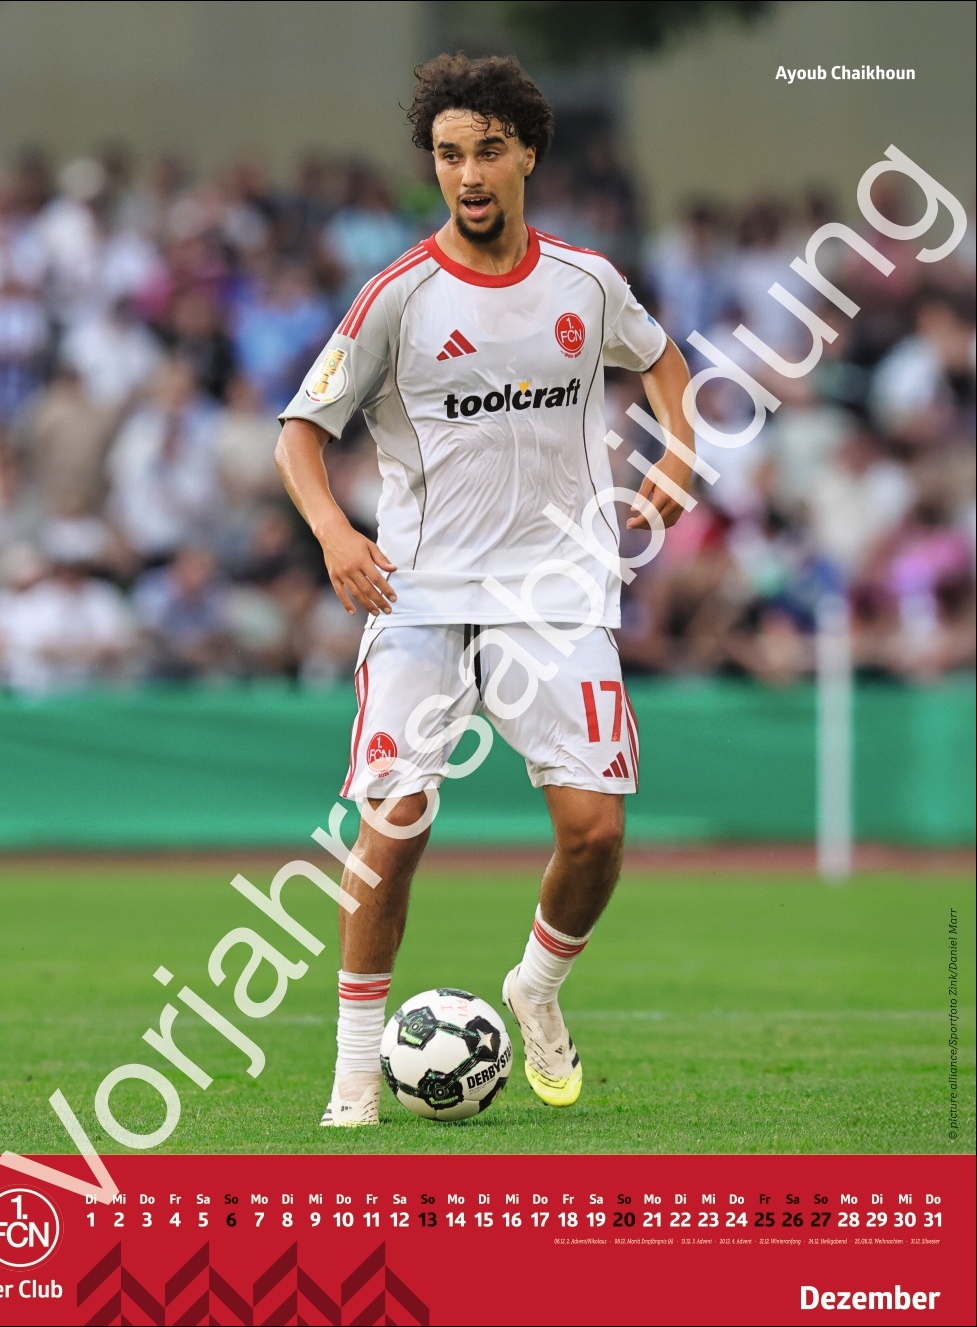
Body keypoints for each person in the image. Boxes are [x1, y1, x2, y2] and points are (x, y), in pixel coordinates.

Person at [274, 54, 695, 1125]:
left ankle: (536, 987)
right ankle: (355, 1075)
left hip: (556, 591)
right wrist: (334, 532)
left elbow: (661, 360)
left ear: (528, 156)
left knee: (595, 832)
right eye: (449, 153)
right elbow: (299, 434)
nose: (468, 172)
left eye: (488, 151)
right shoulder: (397, 297)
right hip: (420, 595)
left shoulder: (586, 284)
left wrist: (680, 447)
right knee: (395, 823)